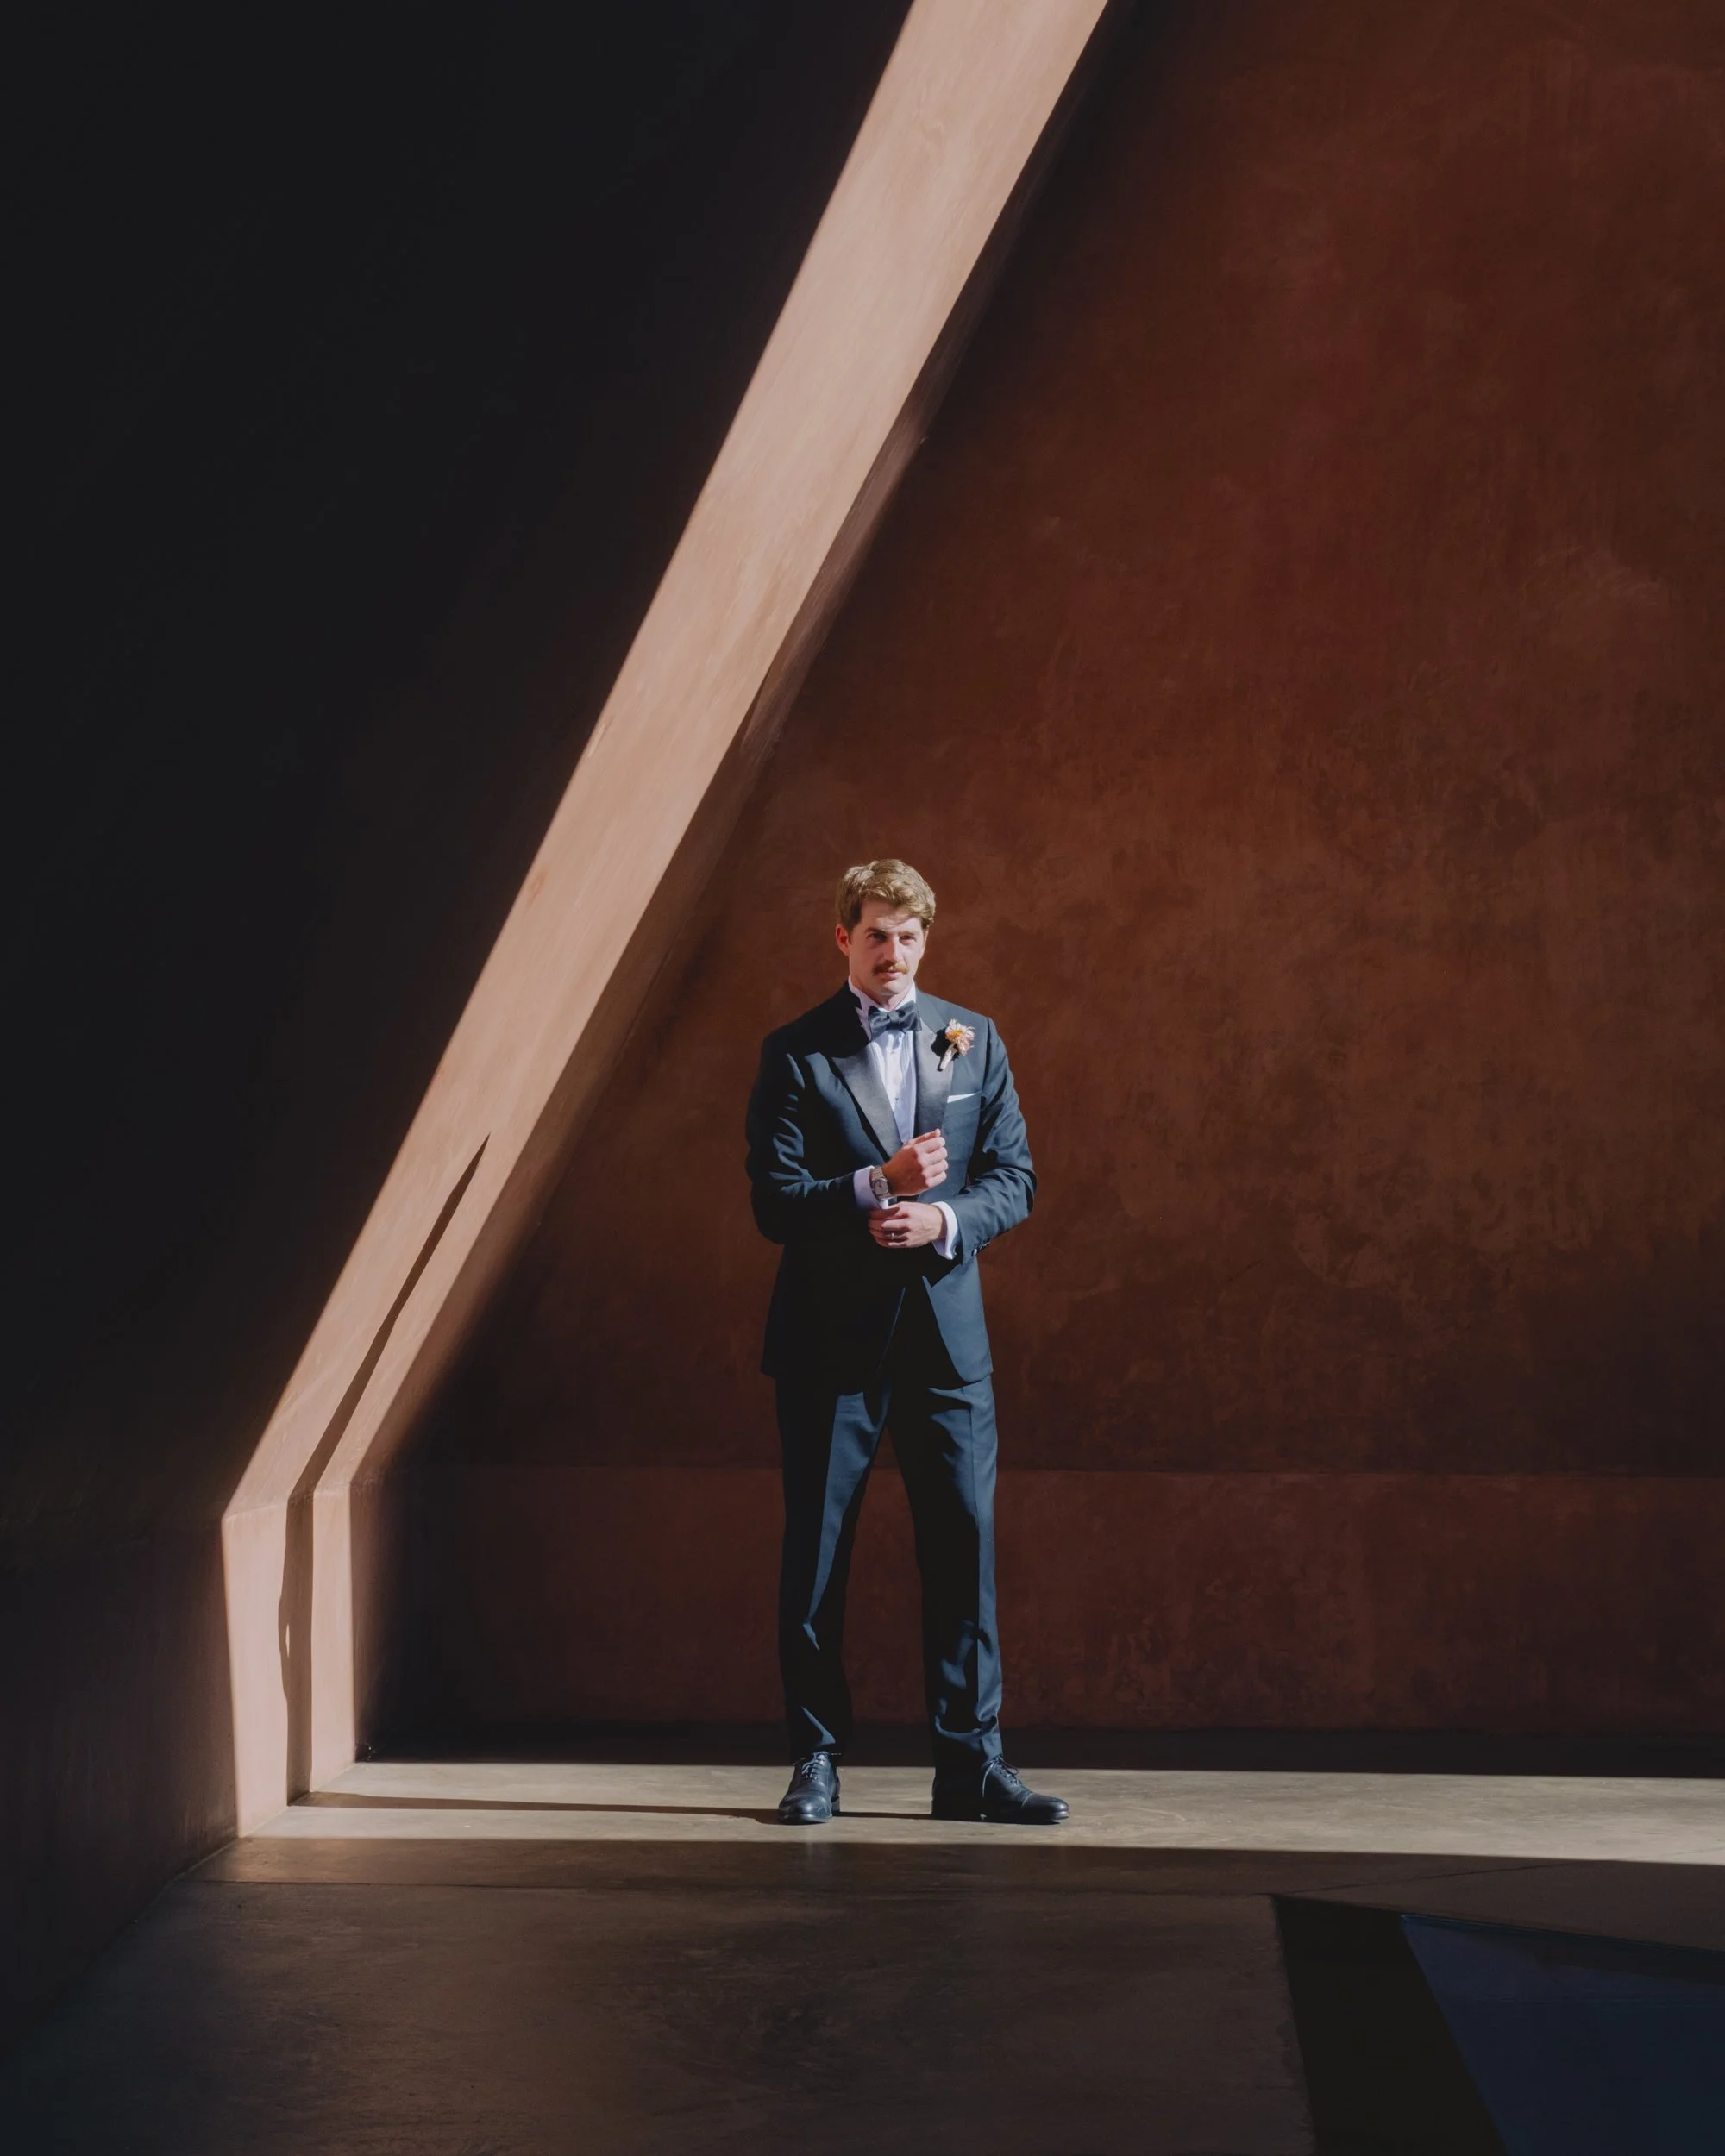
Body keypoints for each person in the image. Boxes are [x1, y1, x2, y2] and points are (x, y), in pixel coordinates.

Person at [745, 858, 1068, 1827]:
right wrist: (876, 1186)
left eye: (910, 935)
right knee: (816, 1558)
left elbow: (1014, 1178)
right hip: (828, 1343)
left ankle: (971, 1767)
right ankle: (814, 1760)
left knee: (964, 1551)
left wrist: (945, 1220)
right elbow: (774, 1202)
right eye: (878, 934)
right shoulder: (795, 1052)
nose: (895, 952)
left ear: (928, 941)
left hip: (946, 1345)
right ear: (843, 938)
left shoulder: (974, 1039)